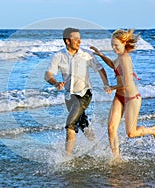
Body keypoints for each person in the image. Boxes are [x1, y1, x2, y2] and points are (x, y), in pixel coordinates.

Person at [90, 29, 155, 160]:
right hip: (119, 96)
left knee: (131, 133)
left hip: (132, 98)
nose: (113, 48)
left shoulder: (125, 59)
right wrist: (100, 54)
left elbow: (127, 83)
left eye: (116, 45)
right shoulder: (119, 58)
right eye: (112, 45)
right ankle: (116, 158)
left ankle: (153, 130)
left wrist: (111, 86)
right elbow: (113, 65)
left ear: (124, 43)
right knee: (111, 128)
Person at [44, 27, 111, 156]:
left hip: (84, 94)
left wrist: (106, 84)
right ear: (67, 41)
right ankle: (99, 147)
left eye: (80, 39)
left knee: (70, 125)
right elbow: (47, 74)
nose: (79, 41)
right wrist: (55, 83)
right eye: (76, 39)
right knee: (83, 123)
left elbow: (100, 69)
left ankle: (66, 158)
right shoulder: (59, 56)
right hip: (69, 96)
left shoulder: (87, 54)